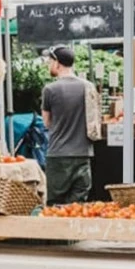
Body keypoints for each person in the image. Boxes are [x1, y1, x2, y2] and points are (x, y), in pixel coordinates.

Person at [41, 45, 96, 205]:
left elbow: (46, 122)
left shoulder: (50, 90)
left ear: (57, 63)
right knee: (77, 206)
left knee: (55, 206)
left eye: (50, 61)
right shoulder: (88, 87)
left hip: (58, 155)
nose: (49, 65)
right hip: (83, 154)